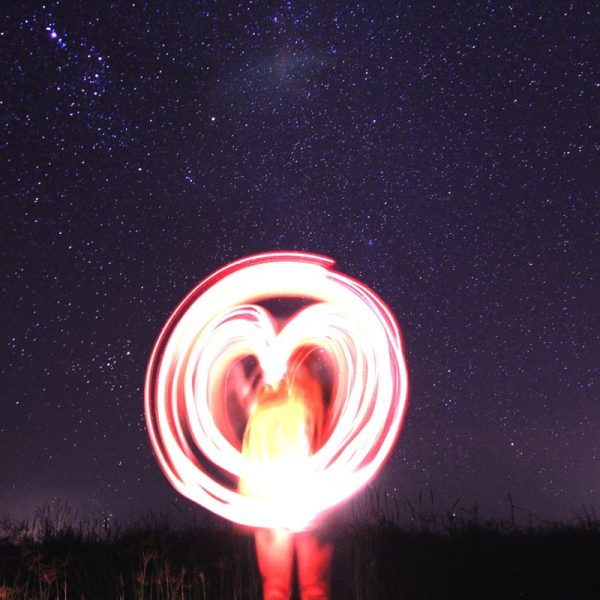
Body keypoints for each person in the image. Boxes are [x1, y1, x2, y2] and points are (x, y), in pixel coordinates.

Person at [239, 363, 333, 600]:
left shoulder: (265, 401)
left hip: (280, 496)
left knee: (280, 587)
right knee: (308, 588)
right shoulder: (313, 394)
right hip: (296, 496)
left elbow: (252, 449)